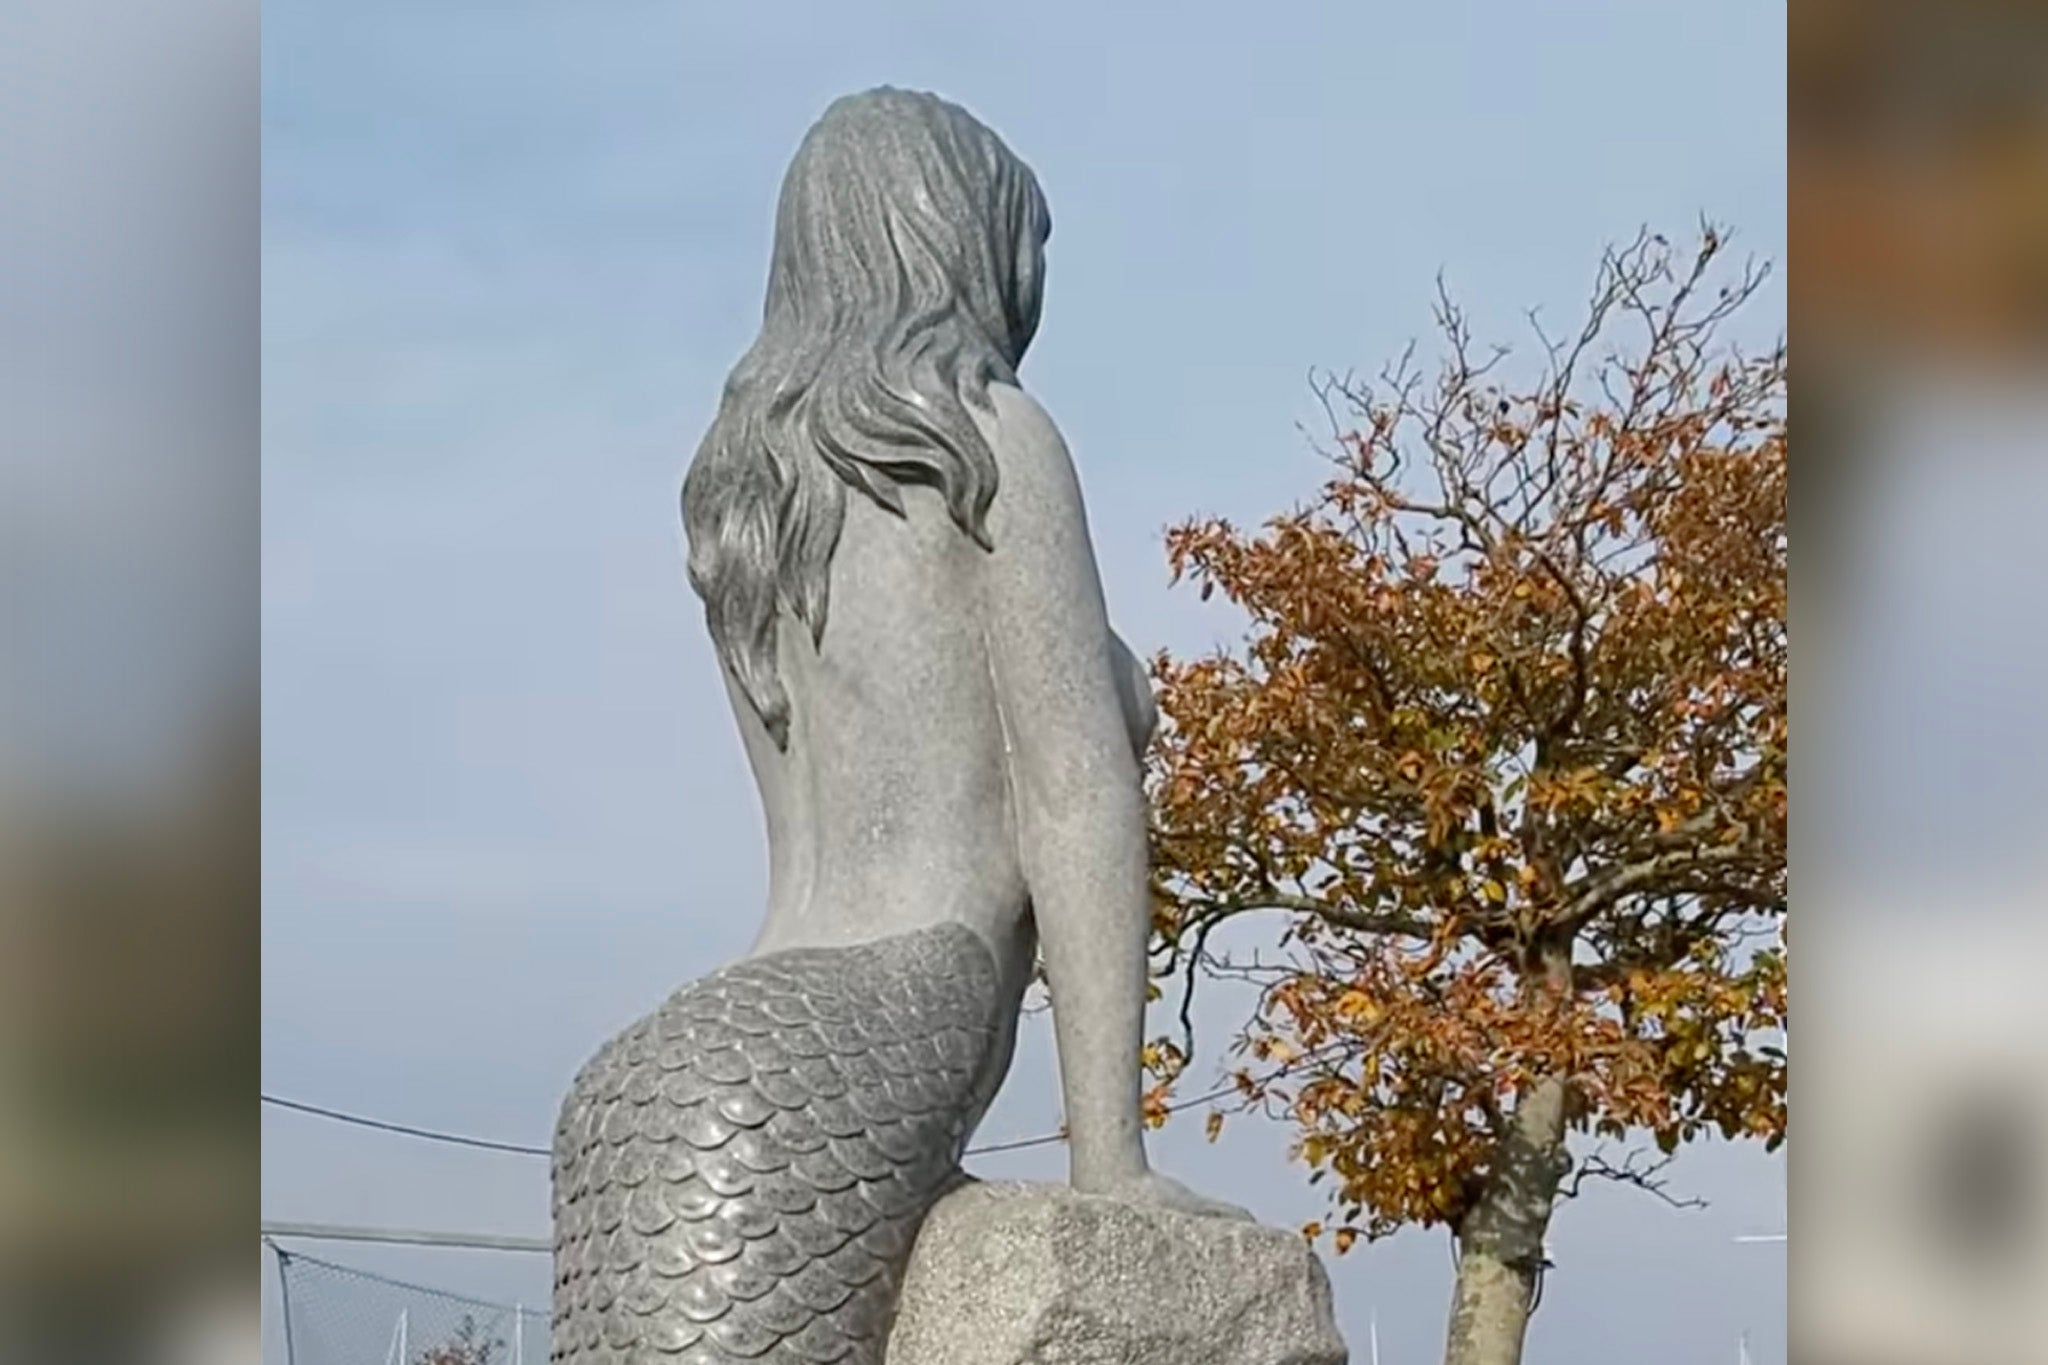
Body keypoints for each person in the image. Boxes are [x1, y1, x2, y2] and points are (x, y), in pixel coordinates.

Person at [552, 86, 1242, 1365]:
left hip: (664, 1068)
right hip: (873, 1031)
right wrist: (1110, 1164)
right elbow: (1074, 796)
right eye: (1024, 245)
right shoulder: (985, 439)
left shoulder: (741, 490)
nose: (1033, 281)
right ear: (957, 237)